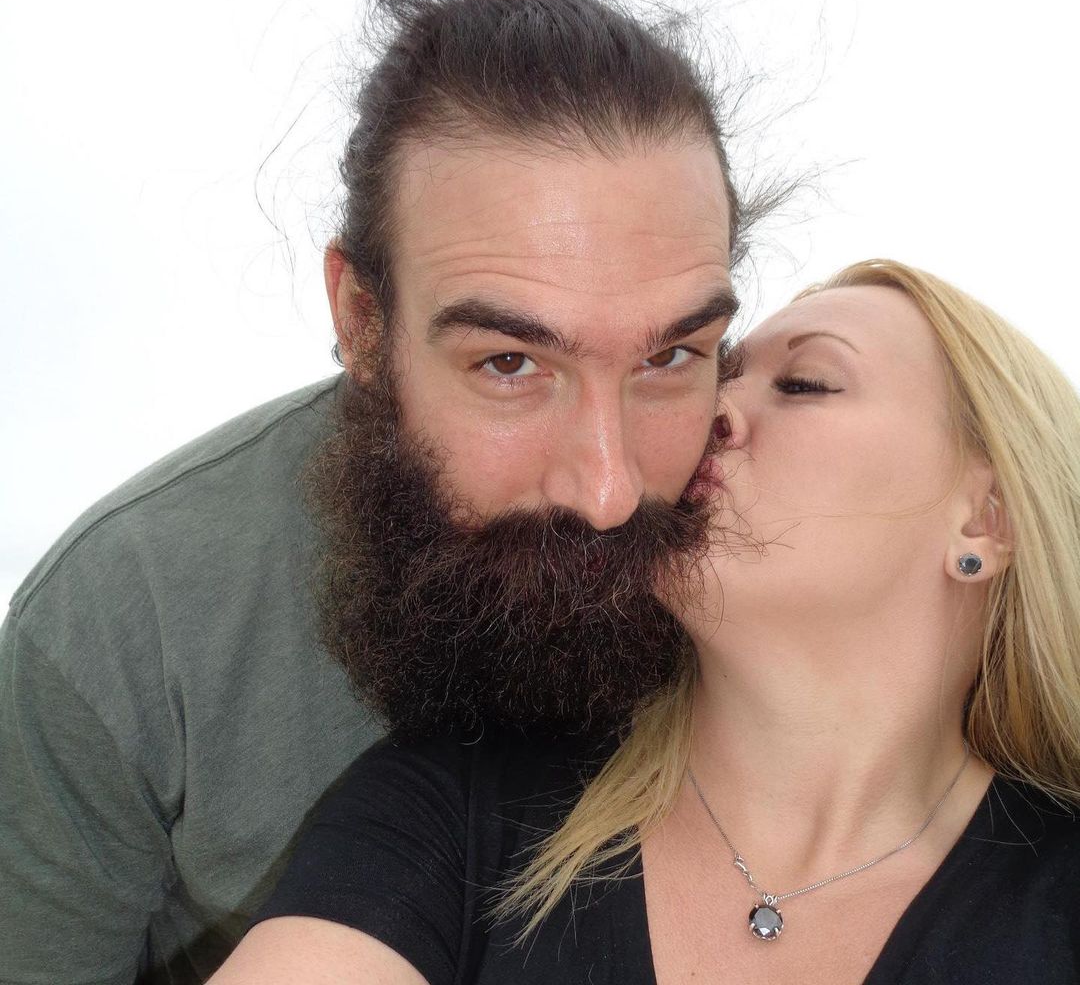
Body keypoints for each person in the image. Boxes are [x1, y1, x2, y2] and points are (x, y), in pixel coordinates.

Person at [0, 0, 769, 982]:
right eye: (511, 363)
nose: (608, 488)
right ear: (363, 322)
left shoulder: (791, 549)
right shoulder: (121, 624)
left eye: (672, 356)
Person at [209, 260, 1080, 984]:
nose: (711, 414)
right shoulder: (460, 807)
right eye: (715, 373)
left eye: (804, 383)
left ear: (985, 520)